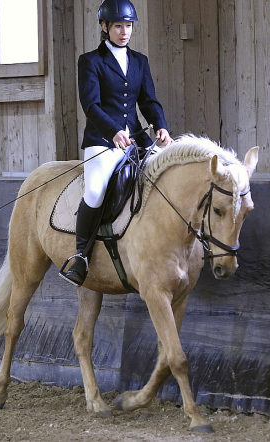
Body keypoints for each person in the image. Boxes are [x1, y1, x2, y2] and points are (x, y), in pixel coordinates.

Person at [61, 0, 173, 286]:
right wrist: (113, 131)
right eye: (118, 26)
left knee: (166, 175)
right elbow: (91, 105)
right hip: (103, 140)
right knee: (96, 191)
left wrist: (160, 126)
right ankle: (81, 256)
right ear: (104, 27)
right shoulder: (90, 61)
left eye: (128, 26)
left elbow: (148, 101)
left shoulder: (140, 61)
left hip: (136, 138)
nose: (124, 32)